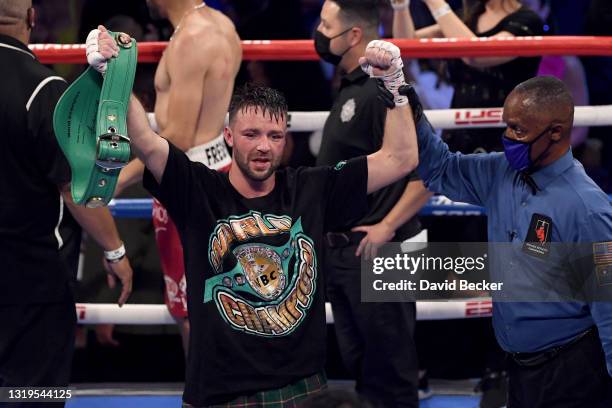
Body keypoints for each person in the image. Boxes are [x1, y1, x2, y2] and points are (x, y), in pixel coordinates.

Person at [89, 27, 419, 406]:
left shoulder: (311, 188)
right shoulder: (198, 189)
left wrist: (395, 86)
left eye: (275, 136)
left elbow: (401, 158)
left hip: (303, 389)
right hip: (221, 393)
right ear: (228, 136)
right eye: (252, 134)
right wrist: (114, 69)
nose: (264, 146)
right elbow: (146, 142)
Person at [409, 72, 612, 406]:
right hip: (518, 367)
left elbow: (606, 303)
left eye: (519, 130)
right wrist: (409, 107)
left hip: (573, 371)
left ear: (556, 133)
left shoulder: (585, 208)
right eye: (507, 126)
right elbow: (440, 169)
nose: (507, 137)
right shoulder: (502, 172)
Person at [0, 0, 132, 396]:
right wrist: (114, 250)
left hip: (25, 278)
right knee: (36, 395)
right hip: (31, 280)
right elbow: (75, 189)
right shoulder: (43, 89)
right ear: (31, 19)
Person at [314, 1, 431, 406]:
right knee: (363, 369)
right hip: (345, 251)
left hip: (380, 249)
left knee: (391, 373)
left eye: (326, 24)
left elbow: (429, 173)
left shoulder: (387, 92)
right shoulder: (349, 86)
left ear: (354, 36)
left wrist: (387, 226)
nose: (318, 30)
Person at [109, 0, 242, 353]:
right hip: (217, 170)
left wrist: (118, 179)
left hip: (188, 185)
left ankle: (203, 397)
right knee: (219, 303)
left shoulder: (191, 40)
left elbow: (179, 138)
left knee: (192, 312)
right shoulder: (221, 24)